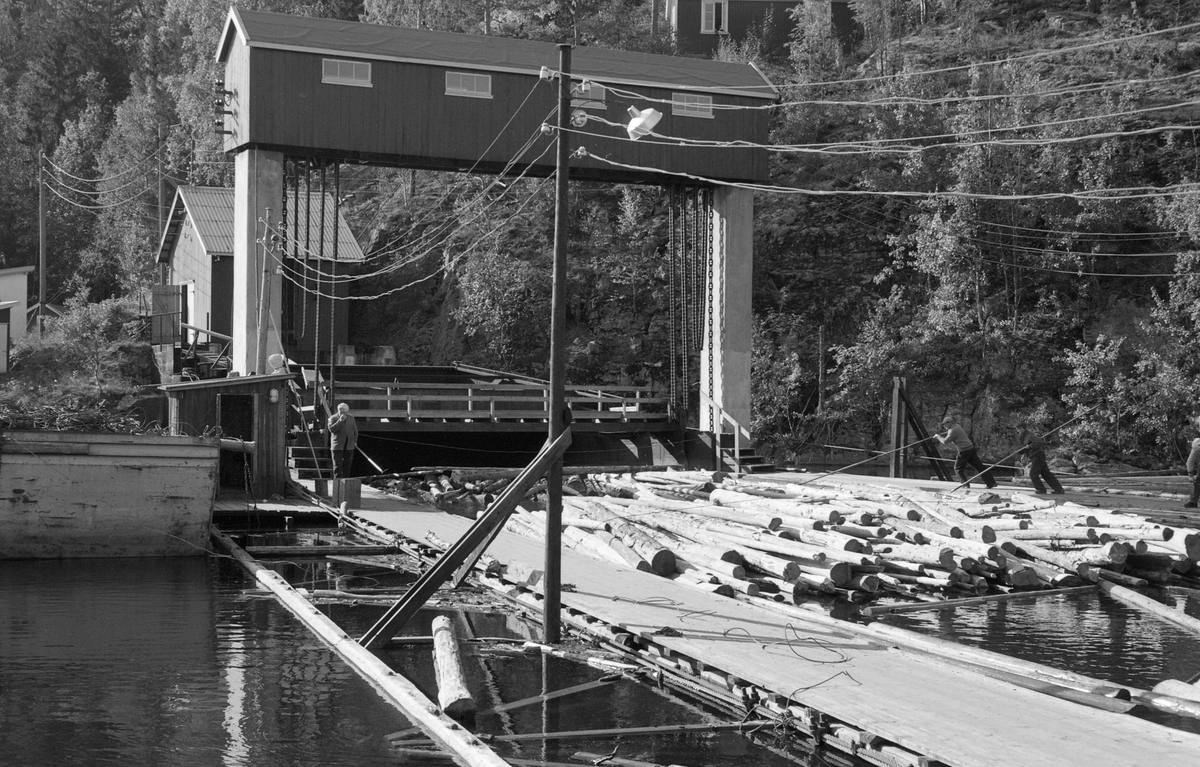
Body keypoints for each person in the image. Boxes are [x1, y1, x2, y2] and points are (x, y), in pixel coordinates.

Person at [935, 415, 997, 488]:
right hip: (971, 449)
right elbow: (952, 434)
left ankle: (965, 485)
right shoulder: (957, 426)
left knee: (958, 469)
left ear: (949, 423)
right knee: (980, 467)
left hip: (964, 451)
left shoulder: (952, 430)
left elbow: (945, 441)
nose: (944, 426)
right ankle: (991, 483)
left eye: (945, 424)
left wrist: (937, 436)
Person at [1017, 422, 1064, 495]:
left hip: (1038, 455)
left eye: (1019, 429)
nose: (1018, 430)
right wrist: (1018, 452)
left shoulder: (1030, 435)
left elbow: (1040, 442)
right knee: (1046, 473)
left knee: (1033, 474)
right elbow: (1026, 448)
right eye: (1017, 429)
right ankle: (1059, 489)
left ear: (1023, 428)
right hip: (1034, 456)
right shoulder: (1023, 437)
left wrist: (1030, 446)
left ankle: (1041, 489)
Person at [327, 402, 358, 479]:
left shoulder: (351, 418)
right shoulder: (332, 418)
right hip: (337, 446)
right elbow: (332, 430)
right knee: (338, 465)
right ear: (339, 411)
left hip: (349, 445)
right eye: (342, 412)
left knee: (348, 464)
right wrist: (340, 421)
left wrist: (355, 441)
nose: (344, 414)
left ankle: (346, 481)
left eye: (346, 412)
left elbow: (355, 431)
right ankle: (337, 482)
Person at [1186, 437, 1200, 509]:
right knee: (1198, 481)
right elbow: (1190, 461)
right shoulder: (1195, 446)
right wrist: (1190, 475)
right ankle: (1193, 501)